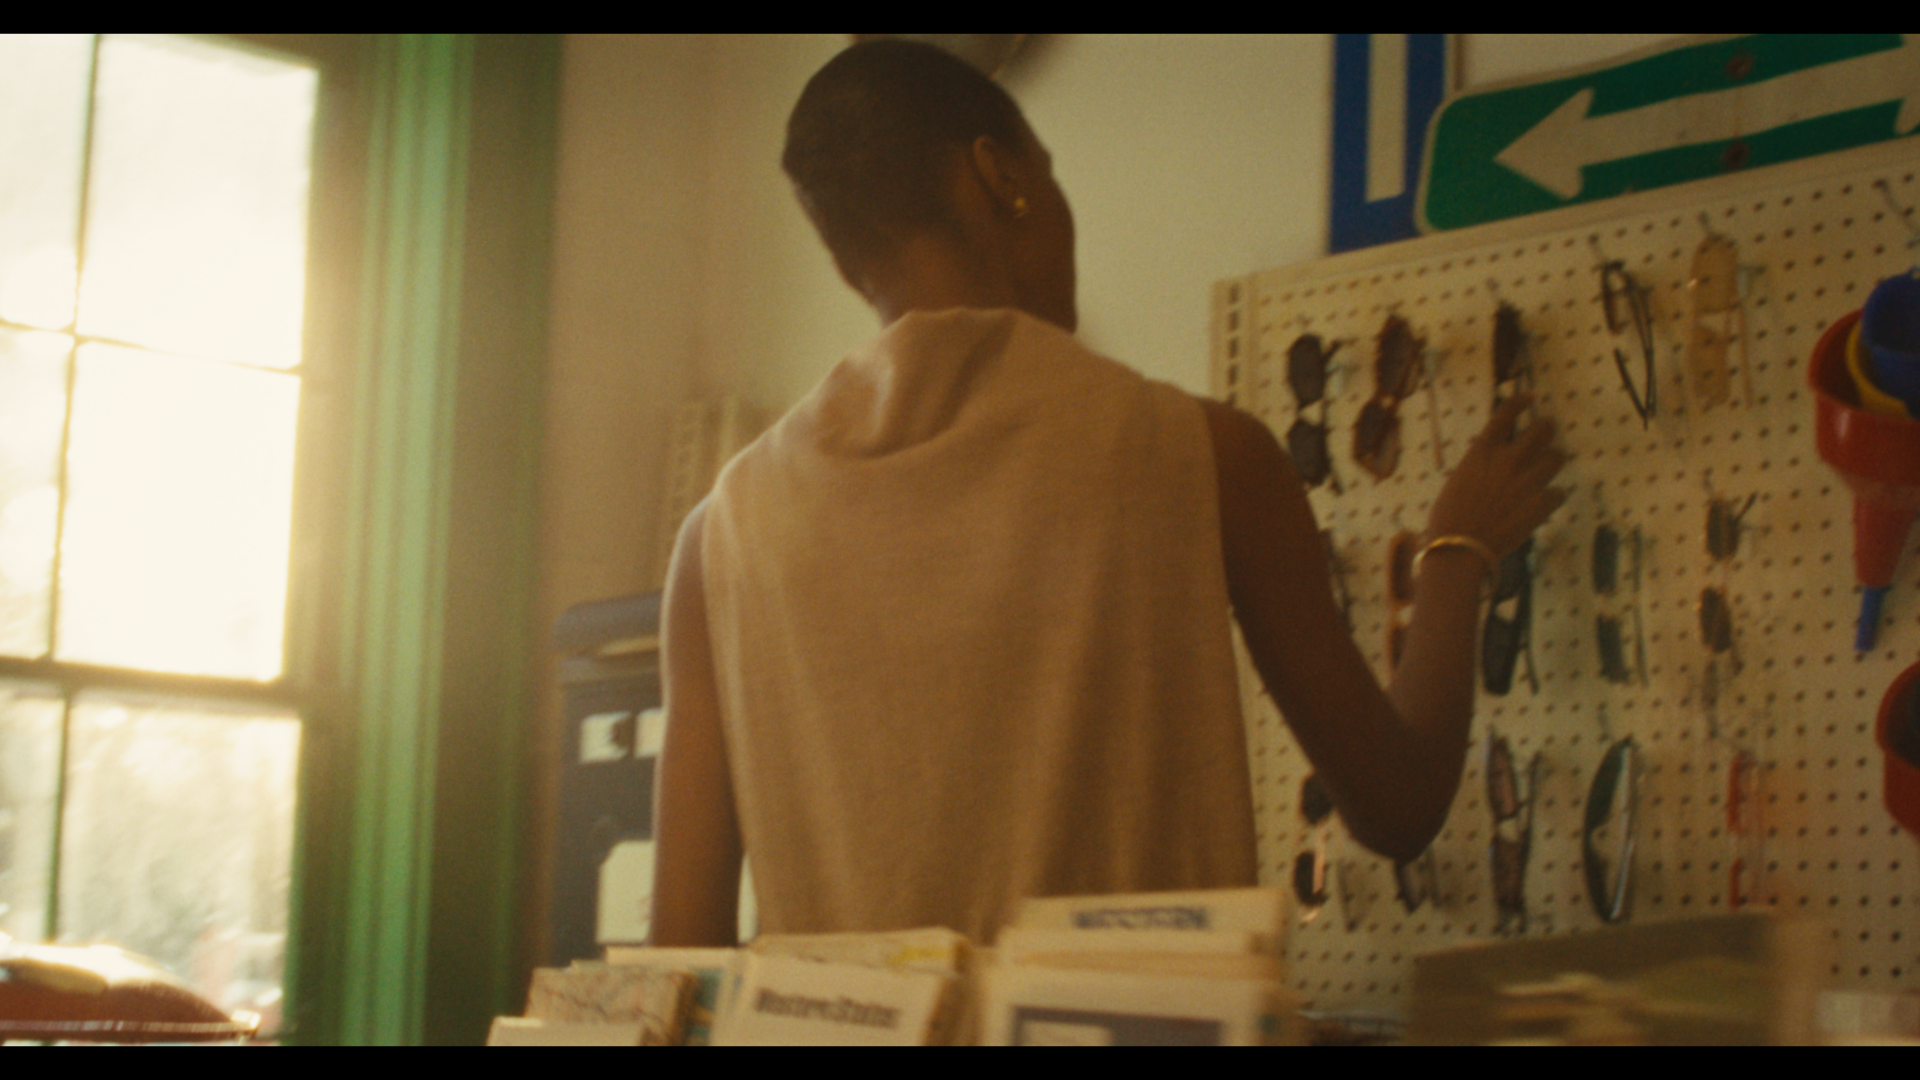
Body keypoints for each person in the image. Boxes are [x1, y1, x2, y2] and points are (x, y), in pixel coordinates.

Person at [651, 39, 1568, 947]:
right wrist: (1456, 552)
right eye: (1048, 177)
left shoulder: (722, 537)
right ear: (1001, 176)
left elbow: (684, 953)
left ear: (845, 257)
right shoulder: (1203, 456)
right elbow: (1398, 805)